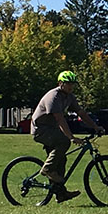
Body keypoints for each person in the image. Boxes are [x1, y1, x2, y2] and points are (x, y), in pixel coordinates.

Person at [30, 71, 102, 206]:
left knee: (61, 159)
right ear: (60, 83)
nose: (70, 86)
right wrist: (71, 137)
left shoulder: (69, 97)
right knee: (63, 142)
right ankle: (47, 169)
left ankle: (61, 193)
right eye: (68, 83)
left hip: (52, 129)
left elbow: (81, 113)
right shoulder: (53, 97)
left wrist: (95, 126)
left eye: (72, 84)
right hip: (41, 130)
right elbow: (60, 118)